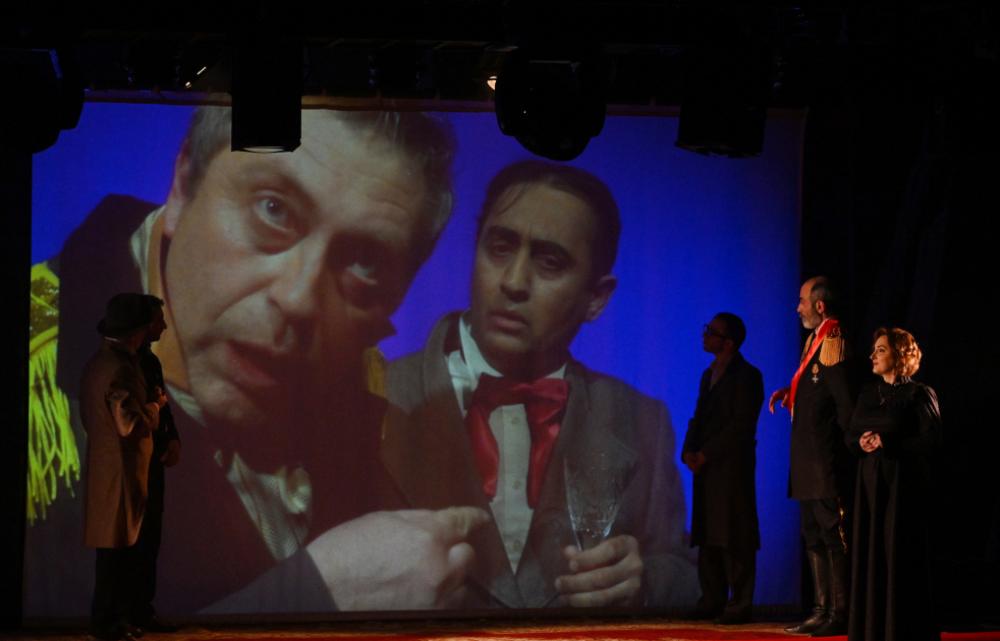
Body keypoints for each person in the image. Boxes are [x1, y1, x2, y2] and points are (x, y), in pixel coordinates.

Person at [26, 106, 491, 616]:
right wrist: (311, 596)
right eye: (273, 209)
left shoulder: (373, 389)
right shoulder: (31, 395)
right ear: (183, 183)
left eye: (364, 262)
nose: (297, 299)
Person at [382, 160, 696, 609]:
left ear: (596, 298)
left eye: (549, 263)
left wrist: (644, 583)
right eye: (500, 248)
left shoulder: (643, 423)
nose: (513, 282)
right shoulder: (374, 397)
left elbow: (690, 577)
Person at [769, 276, 854, 636]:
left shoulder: (833, 339)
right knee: (813, 535)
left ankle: (839, 612)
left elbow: (842, 401)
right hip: (806, 459)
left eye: (802, 301)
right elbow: (815, 388)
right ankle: (820, 609)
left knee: (832, 536)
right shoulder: (814, 340)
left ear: (820, 305)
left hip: (824, 459)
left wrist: (855, 443)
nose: (797, 308)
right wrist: (790, 392)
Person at [847, 328, 941, 641]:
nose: (872, 356)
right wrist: (860, 443)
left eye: (881, 350)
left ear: (899, 355)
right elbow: (850, 435)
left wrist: (889, 443)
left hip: (903, 488)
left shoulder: (919, 394)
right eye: (874, 350)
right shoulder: (867, 393)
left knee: (899, 554)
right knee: (872, 554)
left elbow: (932, 440)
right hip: (870, 488)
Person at [83, 293, 167, 640]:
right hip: (121, 473)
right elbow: (128, 424)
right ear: (138, 330)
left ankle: (113, 621)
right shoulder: (119, 367)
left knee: (114, 553)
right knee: (117, 554)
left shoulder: (101, 362)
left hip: (110, 469)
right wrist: (155, 406)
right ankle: (109, 623)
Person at [682, 313, 763, 624]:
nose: (705, 335)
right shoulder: (709, 374)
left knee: (735, 533)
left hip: (731, 469)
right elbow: (699, 416)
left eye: (711, 331)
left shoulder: (748, 376)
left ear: (728, 342)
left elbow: (741, 426)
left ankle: (739, 603)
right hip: (707, 469)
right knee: (708, 533)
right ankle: (711, 598)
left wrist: (707, 453)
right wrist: (688, 450)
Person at [132, 295, 180, 632]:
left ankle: (142, 611)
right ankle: (128, 612)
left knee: (150, 539)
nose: (163, 326)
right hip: (133, 463)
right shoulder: (126, 364)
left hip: (154, 460)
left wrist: (172, 436)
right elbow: (150, 406)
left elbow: (163, 402)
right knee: (133, 540)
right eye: (158, 320)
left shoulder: (150, 361)